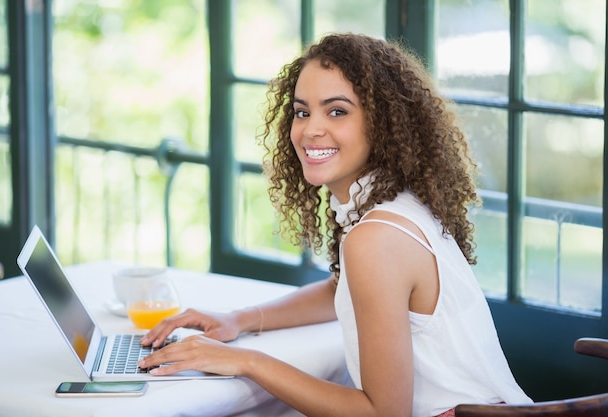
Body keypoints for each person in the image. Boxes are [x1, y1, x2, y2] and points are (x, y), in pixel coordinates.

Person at [139, 33, 532, 416]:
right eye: (302, 111)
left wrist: (246, 362)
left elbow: (383, 413)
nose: (310, 129)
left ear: (382, 123)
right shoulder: (395, 204)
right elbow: (344, 288)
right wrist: (239, 320)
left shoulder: (376, 237)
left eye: (337, 111)